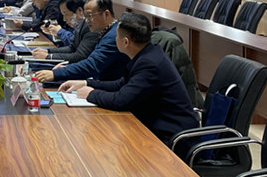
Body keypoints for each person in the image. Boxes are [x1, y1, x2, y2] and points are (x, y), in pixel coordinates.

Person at [59, 12, 199, 144]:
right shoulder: (147, 54)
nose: (115, 39)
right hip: (155, 126)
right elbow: (122, 84)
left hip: (171, 137)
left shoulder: (149, 64)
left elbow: (121, 101)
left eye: (116, 36)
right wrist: (86, 83)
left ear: (125, 42)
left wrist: (91, 94)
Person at [35, 0, 129, 84]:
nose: (87, 20)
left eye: (90, 16)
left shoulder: (113, 36)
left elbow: (92, 65)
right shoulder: (106, 31)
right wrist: (66, 67)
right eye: (85, 16)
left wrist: (55, 74)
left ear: (106, 14)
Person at [32, 0, 99, 63]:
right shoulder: (80, 25)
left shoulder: (90, 27)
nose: (64, 19)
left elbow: (80, 56)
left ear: (79, 11)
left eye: (66, 14)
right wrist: (48, 51)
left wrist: (48, 56)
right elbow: (71, 48)